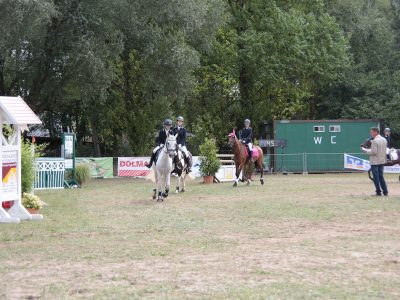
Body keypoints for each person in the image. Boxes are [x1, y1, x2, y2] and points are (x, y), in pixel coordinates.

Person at [361, 127, 388, 196]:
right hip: (382, 160)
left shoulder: (375, 141)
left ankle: (378, 192)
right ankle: (385, 191)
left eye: (372, 132)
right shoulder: (384, 139)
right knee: (381, 176)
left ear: (375, 132)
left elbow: (373, 152)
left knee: (375, 177)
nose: (371, 133)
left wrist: (364, 150)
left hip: (375, 161)